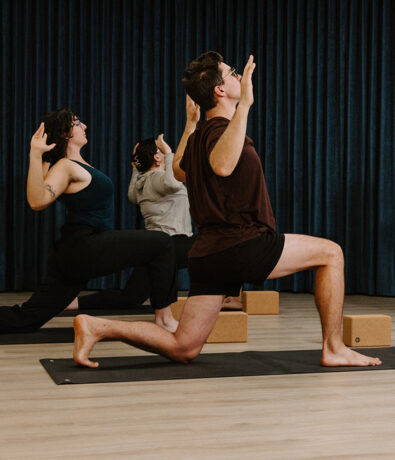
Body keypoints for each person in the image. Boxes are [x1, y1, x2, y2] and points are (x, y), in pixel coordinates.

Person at [73, 53, 382, 368]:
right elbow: (221, 165)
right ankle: (333, 347)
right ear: (219, 90)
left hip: (209, 255)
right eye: (232, 72)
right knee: (331, 254)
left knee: (184, 347)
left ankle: (98, 326)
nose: (240, 76)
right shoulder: (221, 130)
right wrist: (245, 105)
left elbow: (178, 170)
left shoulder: (201, 135)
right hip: (242, 245)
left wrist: (190, 124)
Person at [0, 109, 178, 333]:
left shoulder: (72, 164)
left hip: (72, 253)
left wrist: (43, 156)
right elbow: (37, 201)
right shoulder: (65, 166)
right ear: (66, 133)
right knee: (161, 243)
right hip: (83, 246)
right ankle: (164, 319)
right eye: (77, 123)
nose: (84, 127)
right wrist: (35, 155)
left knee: (25, 319)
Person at [74, 135, 241, 310]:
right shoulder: (157, 179)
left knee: (129, 298)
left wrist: (136, 166)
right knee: (221, 247)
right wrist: (169, 153)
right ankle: (224, 297)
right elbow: (172, 183)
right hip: (172, 242)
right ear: (157, 157)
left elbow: (133, 194)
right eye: (160, 152)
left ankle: (72, 303)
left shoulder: (142, 182)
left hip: (155, 248)